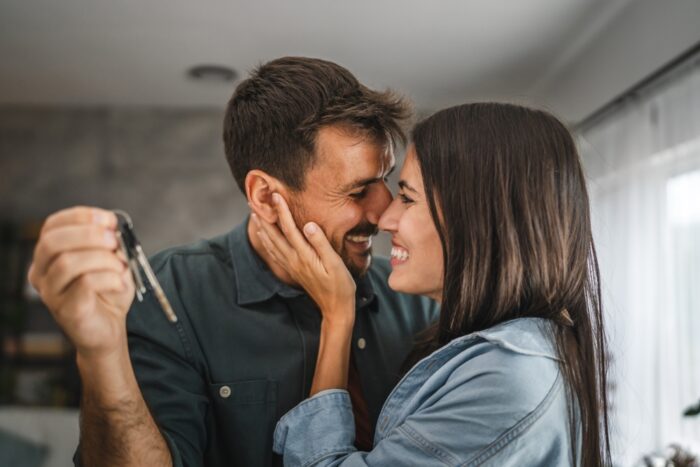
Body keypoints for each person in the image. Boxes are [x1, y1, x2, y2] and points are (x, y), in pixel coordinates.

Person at [27, 57, 439, 467]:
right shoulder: (171, 293)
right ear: (264, 196)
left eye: (384, 180)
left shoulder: (412, 295)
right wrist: (100, 355)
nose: (386, 214)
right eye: (358, 191)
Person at [256, 102, 612, 466]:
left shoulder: (505, 379)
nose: (386, 218)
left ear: (475, 219)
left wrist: (337, 316)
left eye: (408, 198)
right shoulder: (489, 352)